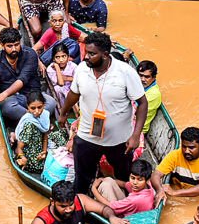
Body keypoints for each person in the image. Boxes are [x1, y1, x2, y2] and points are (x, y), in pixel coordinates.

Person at [58, 32, 148, 196]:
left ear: (105, 55)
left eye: (92, 54)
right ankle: (82, 205)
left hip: (119, 140)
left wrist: (135, 136)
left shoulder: (125, 72)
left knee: (123, 176)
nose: (85, 57)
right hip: (87, 136)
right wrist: (63, 113)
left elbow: (142, 103)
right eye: (86, 52)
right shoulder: (82, 69)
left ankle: (124, 207)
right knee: (82, 177)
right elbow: (73, 93)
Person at [152, 126, 199, 200]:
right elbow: (156, 174)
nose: (187, 151)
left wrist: (174, 192)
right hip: (179, 193)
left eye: (191, 148)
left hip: (198, 198)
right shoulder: (175, 155)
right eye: (184, 147)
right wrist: (159, 190)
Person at [91, 159, 156, 216]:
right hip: (134, 211)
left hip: (126, 221)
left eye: (140, 179)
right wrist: (103, 179)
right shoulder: (148, 186)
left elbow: (111, 206)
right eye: (132, 178)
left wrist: (94, 189)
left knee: (104, 186)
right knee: (108, 180)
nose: (135, 182)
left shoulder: (135, 200)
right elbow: (124, 184)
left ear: (147, 180)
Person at [14, 92, 54, 172]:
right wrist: (22, 158)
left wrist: (44, 151)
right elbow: (19, 148)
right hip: (29, 150)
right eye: (33, 108)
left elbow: (45, 135)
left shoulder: (45, 115)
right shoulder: (29, 123)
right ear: (28, 107)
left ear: (44, 105)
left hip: (40, 144)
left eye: (40, 107)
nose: (37, 111)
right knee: (41, 166)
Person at [46, 42, 77, 110]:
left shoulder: (73, 66)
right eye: (57, 57)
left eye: (64, 56)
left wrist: (66, 78)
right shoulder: (50, 68)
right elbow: (61, 83)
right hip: (58, 92)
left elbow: (78, 80)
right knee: (58, 89)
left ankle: (77, 110)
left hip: (70, 89)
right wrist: (57, 68)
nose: (61, 60)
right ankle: (62, 110)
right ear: (53, 59)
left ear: (68, 57)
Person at [137, 60, 162, 134]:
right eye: (140, 75)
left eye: (147, 77)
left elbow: (135, 113)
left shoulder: (154, 94)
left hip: (138, 129)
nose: (142, 79)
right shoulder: (138, 84)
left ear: (154, 77)